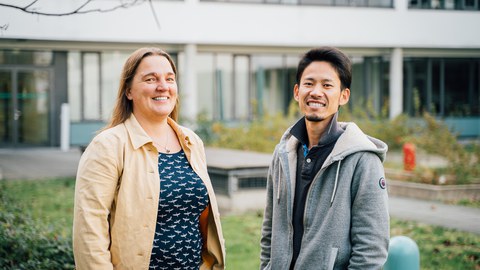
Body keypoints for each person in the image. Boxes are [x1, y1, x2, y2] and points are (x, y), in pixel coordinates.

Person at [73, 47, 225, 270]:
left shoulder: (191, 141)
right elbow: (89, 231)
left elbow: (202, 218)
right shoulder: (108, 146)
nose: (163, 86)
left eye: (169, 79)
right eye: (150, 79)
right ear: (129, 91)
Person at [260, 47, 389, 270]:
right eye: (309, 84)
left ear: (343, 96)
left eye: (327, 85)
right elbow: (269, 232)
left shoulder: (363, 161)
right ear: (297, 92)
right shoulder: (283, 154)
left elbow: (371, 250)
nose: (316, 92)